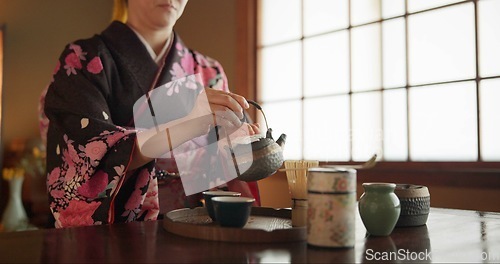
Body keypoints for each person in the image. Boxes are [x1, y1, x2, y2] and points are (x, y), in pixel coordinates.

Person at [39, 0, 261, 228]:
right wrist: (188, 126)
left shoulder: (208, 71)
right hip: (120, 233)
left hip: (196, 228)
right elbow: (86, 156)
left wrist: (246, 145)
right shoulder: (83, 59)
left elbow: (227, 172)